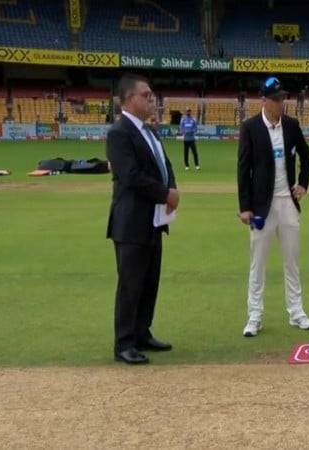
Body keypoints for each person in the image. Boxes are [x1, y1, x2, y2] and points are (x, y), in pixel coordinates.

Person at [106, 74, 179, 364]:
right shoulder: (119, 133)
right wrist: (165, 194)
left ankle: (141, 332)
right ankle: (124, 343)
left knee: (150, 281)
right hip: (131, 221)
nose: (152, 100)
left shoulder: (151, 132)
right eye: (146, 95)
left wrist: (171, 187)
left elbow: (165, 165)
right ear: (127, 99)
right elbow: (130, 176)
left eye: (152, 95)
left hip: (153, 220)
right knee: (131, 284)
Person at [237, 76, 309, 337]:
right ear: (264, 100)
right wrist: (245, 207)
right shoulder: (250, 127)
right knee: (257, 263)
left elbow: (306, 156)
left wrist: (303, 184)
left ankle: (297, 312)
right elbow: (243, 169)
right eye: (277, 99)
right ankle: (254, 316)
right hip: (261, 208)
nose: (282, 103)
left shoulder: (291, 125)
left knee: (292, 261)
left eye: (283, 98)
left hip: (288, 204)